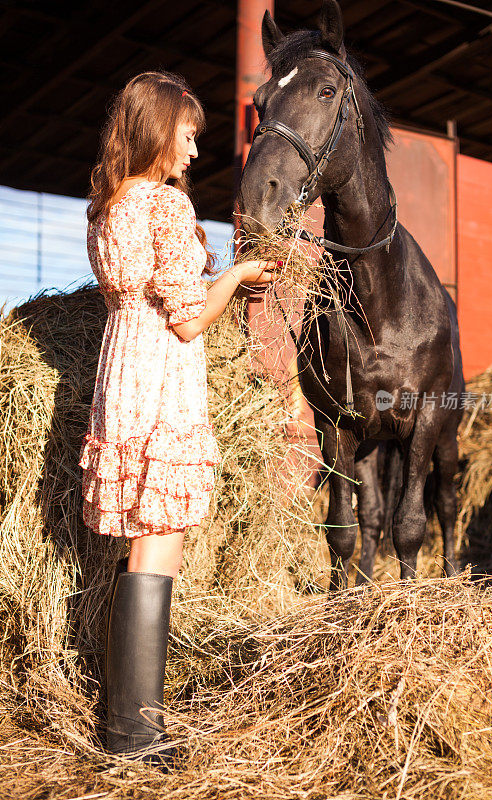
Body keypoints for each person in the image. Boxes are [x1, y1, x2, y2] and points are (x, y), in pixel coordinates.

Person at [78, 70, 279, 770]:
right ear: (157, 130)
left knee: (146, 537)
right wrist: (237, 275)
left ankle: (130, 723)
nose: (193, 151)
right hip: (163, 369)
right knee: (160, 542)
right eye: (188, 135)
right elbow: (190, 321)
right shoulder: (162, 206)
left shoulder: (107, 208)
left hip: (121, 367)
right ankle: (134, 733)